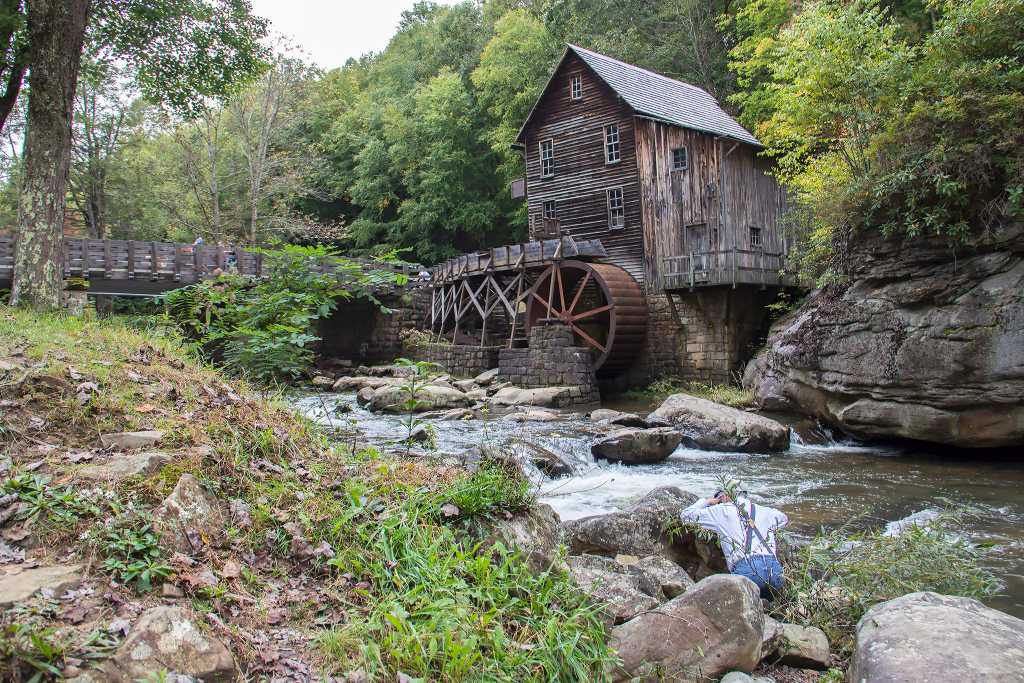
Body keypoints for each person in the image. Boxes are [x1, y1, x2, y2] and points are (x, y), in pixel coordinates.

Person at [680, 481, 788, 599]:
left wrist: (707, 501)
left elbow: (686, 515)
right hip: (775, 570)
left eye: (718, 499)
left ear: (724, 496)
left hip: (748, 571)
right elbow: (784, 519)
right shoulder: (763, 510)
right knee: (769, 610)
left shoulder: (722, 510)